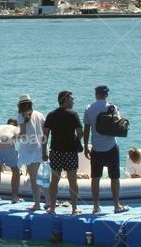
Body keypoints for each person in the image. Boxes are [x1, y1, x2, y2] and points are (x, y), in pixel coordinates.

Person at [83, 85, 127, 214]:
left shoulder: (88, 108)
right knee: (115, 178)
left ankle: (96, 206)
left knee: (95, 178)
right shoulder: (113, 108)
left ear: (95, 94)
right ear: (106, 95)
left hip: (96, 149)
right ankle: (116, 205)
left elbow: (86, 129)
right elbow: (120, 125)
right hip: (111, 147)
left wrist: (85, 146)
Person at [42, 90, 83, 215]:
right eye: (71, 98)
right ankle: (74, 208)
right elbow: (80, 133)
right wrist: (76, 141)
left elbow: (44, 135)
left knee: (54, 180)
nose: (73, 101)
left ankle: (52, 208)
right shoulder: (73, 114)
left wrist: (43, 151)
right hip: (70, 151)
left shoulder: (51, 115)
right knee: (72, 180)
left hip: (55, 152)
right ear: (65, 99)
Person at [16, 93, 46, 211]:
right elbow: (44, 132)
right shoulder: (39, 114)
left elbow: (22, 133)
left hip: (28, 149)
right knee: (41, 177)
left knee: (33, 179)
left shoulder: (20, 115)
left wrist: (14, 137)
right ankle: (48, 201)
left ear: (20, 106)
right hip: (39, 147)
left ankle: (37, 204)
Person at [0, 118, 21, 202]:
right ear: (16, 125)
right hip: (6, 145)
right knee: (15, 170)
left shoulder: (0, 126)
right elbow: (20, 139)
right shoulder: (16, 128)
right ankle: (15, 197)